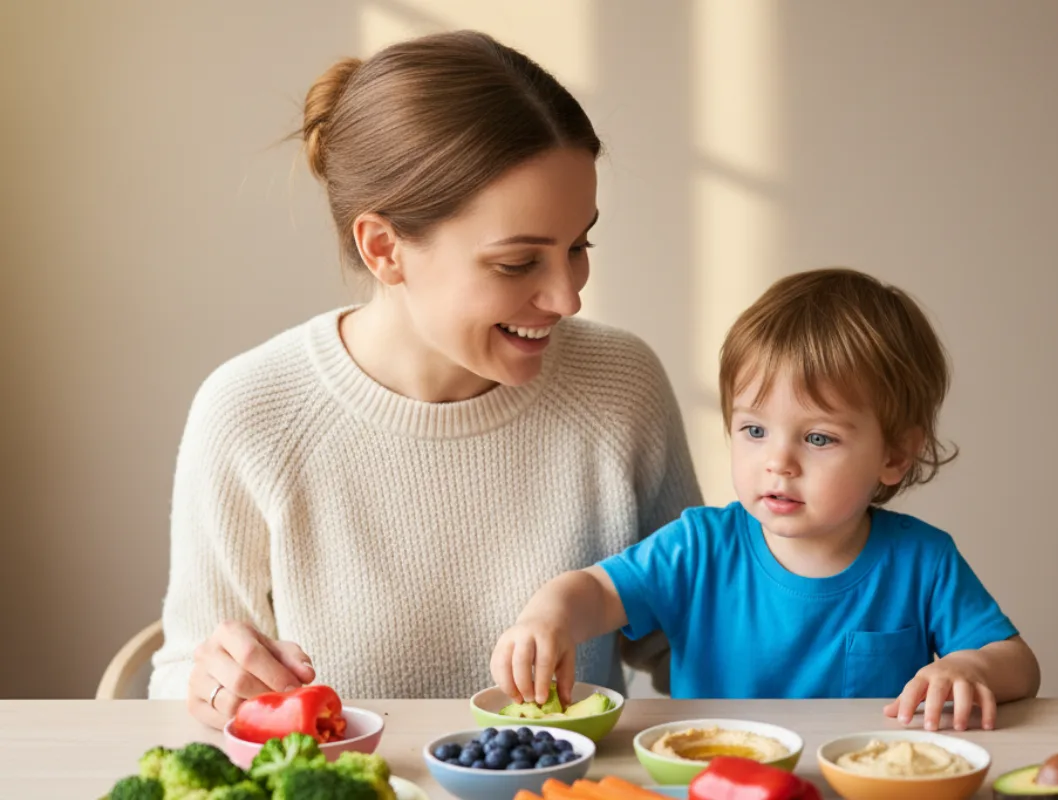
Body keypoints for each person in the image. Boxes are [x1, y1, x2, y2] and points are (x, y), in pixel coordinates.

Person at [148, 30, 703, 729]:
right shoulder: (250, 413)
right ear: (383, 249)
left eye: (578, 245)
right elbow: (179, 676)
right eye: (517, 263)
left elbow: (695, 636)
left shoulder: (621, 386)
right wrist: (212, 685)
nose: (568, 298)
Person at [492, 267, 1041, 731]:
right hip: (712, 778)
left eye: (818, 438)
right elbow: (596, 591)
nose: (779, 462)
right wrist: (550, 616)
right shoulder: (700, 545)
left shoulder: (923, 560)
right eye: (754, 431)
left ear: (895, 455)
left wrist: (970, 668)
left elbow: (1017, 663)